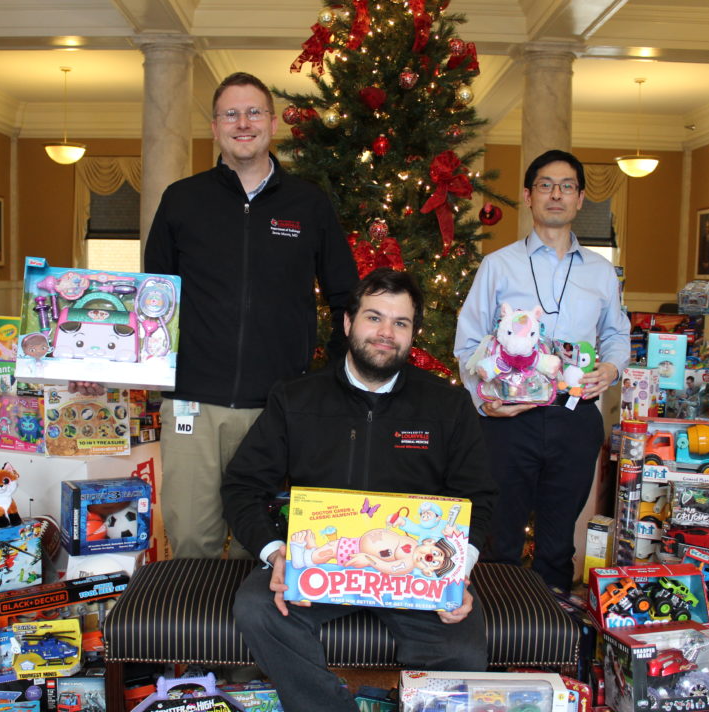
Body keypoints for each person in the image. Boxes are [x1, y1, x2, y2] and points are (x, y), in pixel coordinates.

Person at [76, 72, 357, 559]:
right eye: (231, 113)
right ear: (214, 126)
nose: (242, 123)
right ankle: (199, 638)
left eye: (253, 112)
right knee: (192, 541)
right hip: (193, 405)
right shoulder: (182, 200)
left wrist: (328, 375)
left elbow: (346, 296)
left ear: (272, 122)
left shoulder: (308, 204)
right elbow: (150, 303)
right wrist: (97, 365)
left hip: (278, 407)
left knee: (266, 546)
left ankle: (255, 636)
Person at [222, 269, 497, 712]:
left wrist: (456, 570)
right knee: (258, 608)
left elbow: (477, 496)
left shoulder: (447, 405)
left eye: (400, 323)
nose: (386, 333)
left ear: (412, 335)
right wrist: (276, 553)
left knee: (462, 650)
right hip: (323, 566)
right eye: (374, 318)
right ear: (348, 323)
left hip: (418, 574)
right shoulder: (295, 398)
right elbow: (242, 485)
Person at [454, 149, 630, 592]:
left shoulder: (601, 272)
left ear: (581, 198)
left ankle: (547, 638)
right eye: (546, 186)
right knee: (499, 538)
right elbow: (469, 341)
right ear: (529, 196)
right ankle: (495, 632)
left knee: (557, 544)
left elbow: (617, 335)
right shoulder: (499, 265)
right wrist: (485, 401)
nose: (557, 194)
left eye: (567, 186)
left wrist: (610, 369)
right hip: (509, 421)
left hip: (575, 417)